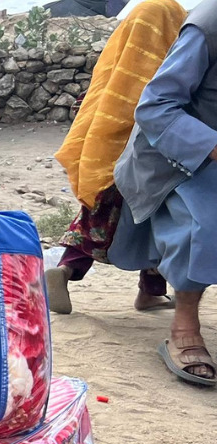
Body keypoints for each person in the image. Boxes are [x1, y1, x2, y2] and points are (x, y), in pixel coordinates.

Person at [48, 0, 187, 315]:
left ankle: (146, 290)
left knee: (100, 217)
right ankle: (72, 271)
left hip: (101, 151)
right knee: (153, 218)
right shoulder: (165, 66)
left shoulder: (118, 57)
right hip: (137, 157)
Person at [110, 0, 217, 386]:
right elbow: (155, 107)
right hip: (177, 155)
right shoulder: (209, 25)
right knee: (206, 224)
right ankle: (184, 326)